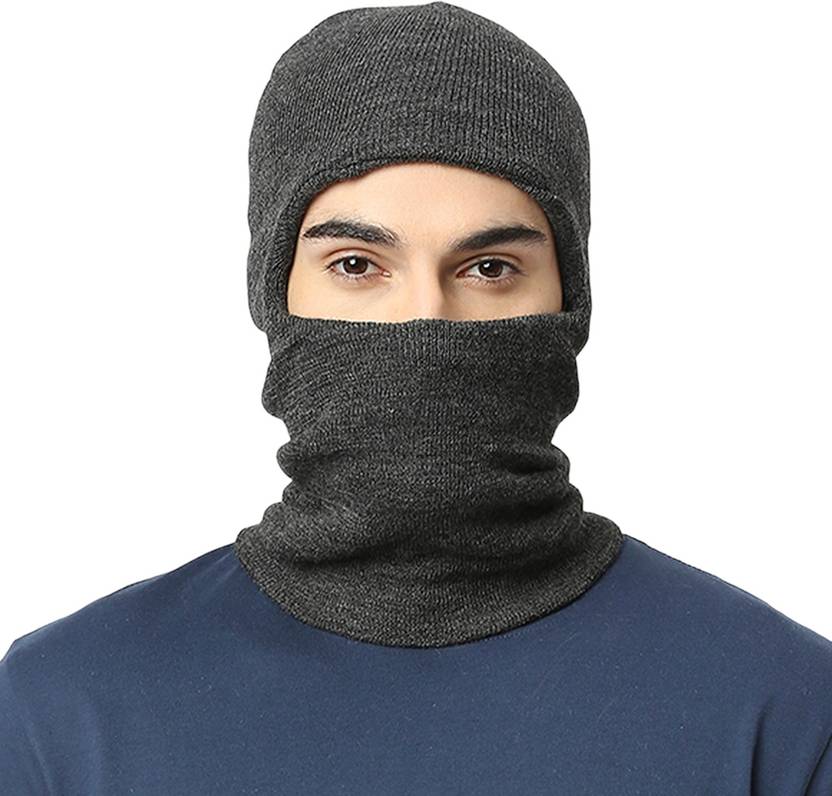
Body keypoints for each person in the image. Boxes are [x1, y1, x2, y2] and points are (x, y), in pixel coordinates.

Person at [2, 2, 831, 793]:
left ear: (570, 300)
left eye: (490, 268)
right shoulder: (59, 715)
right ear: (272, 295)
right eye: (357, 265)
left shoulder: (782, 711)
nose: (426, 319)